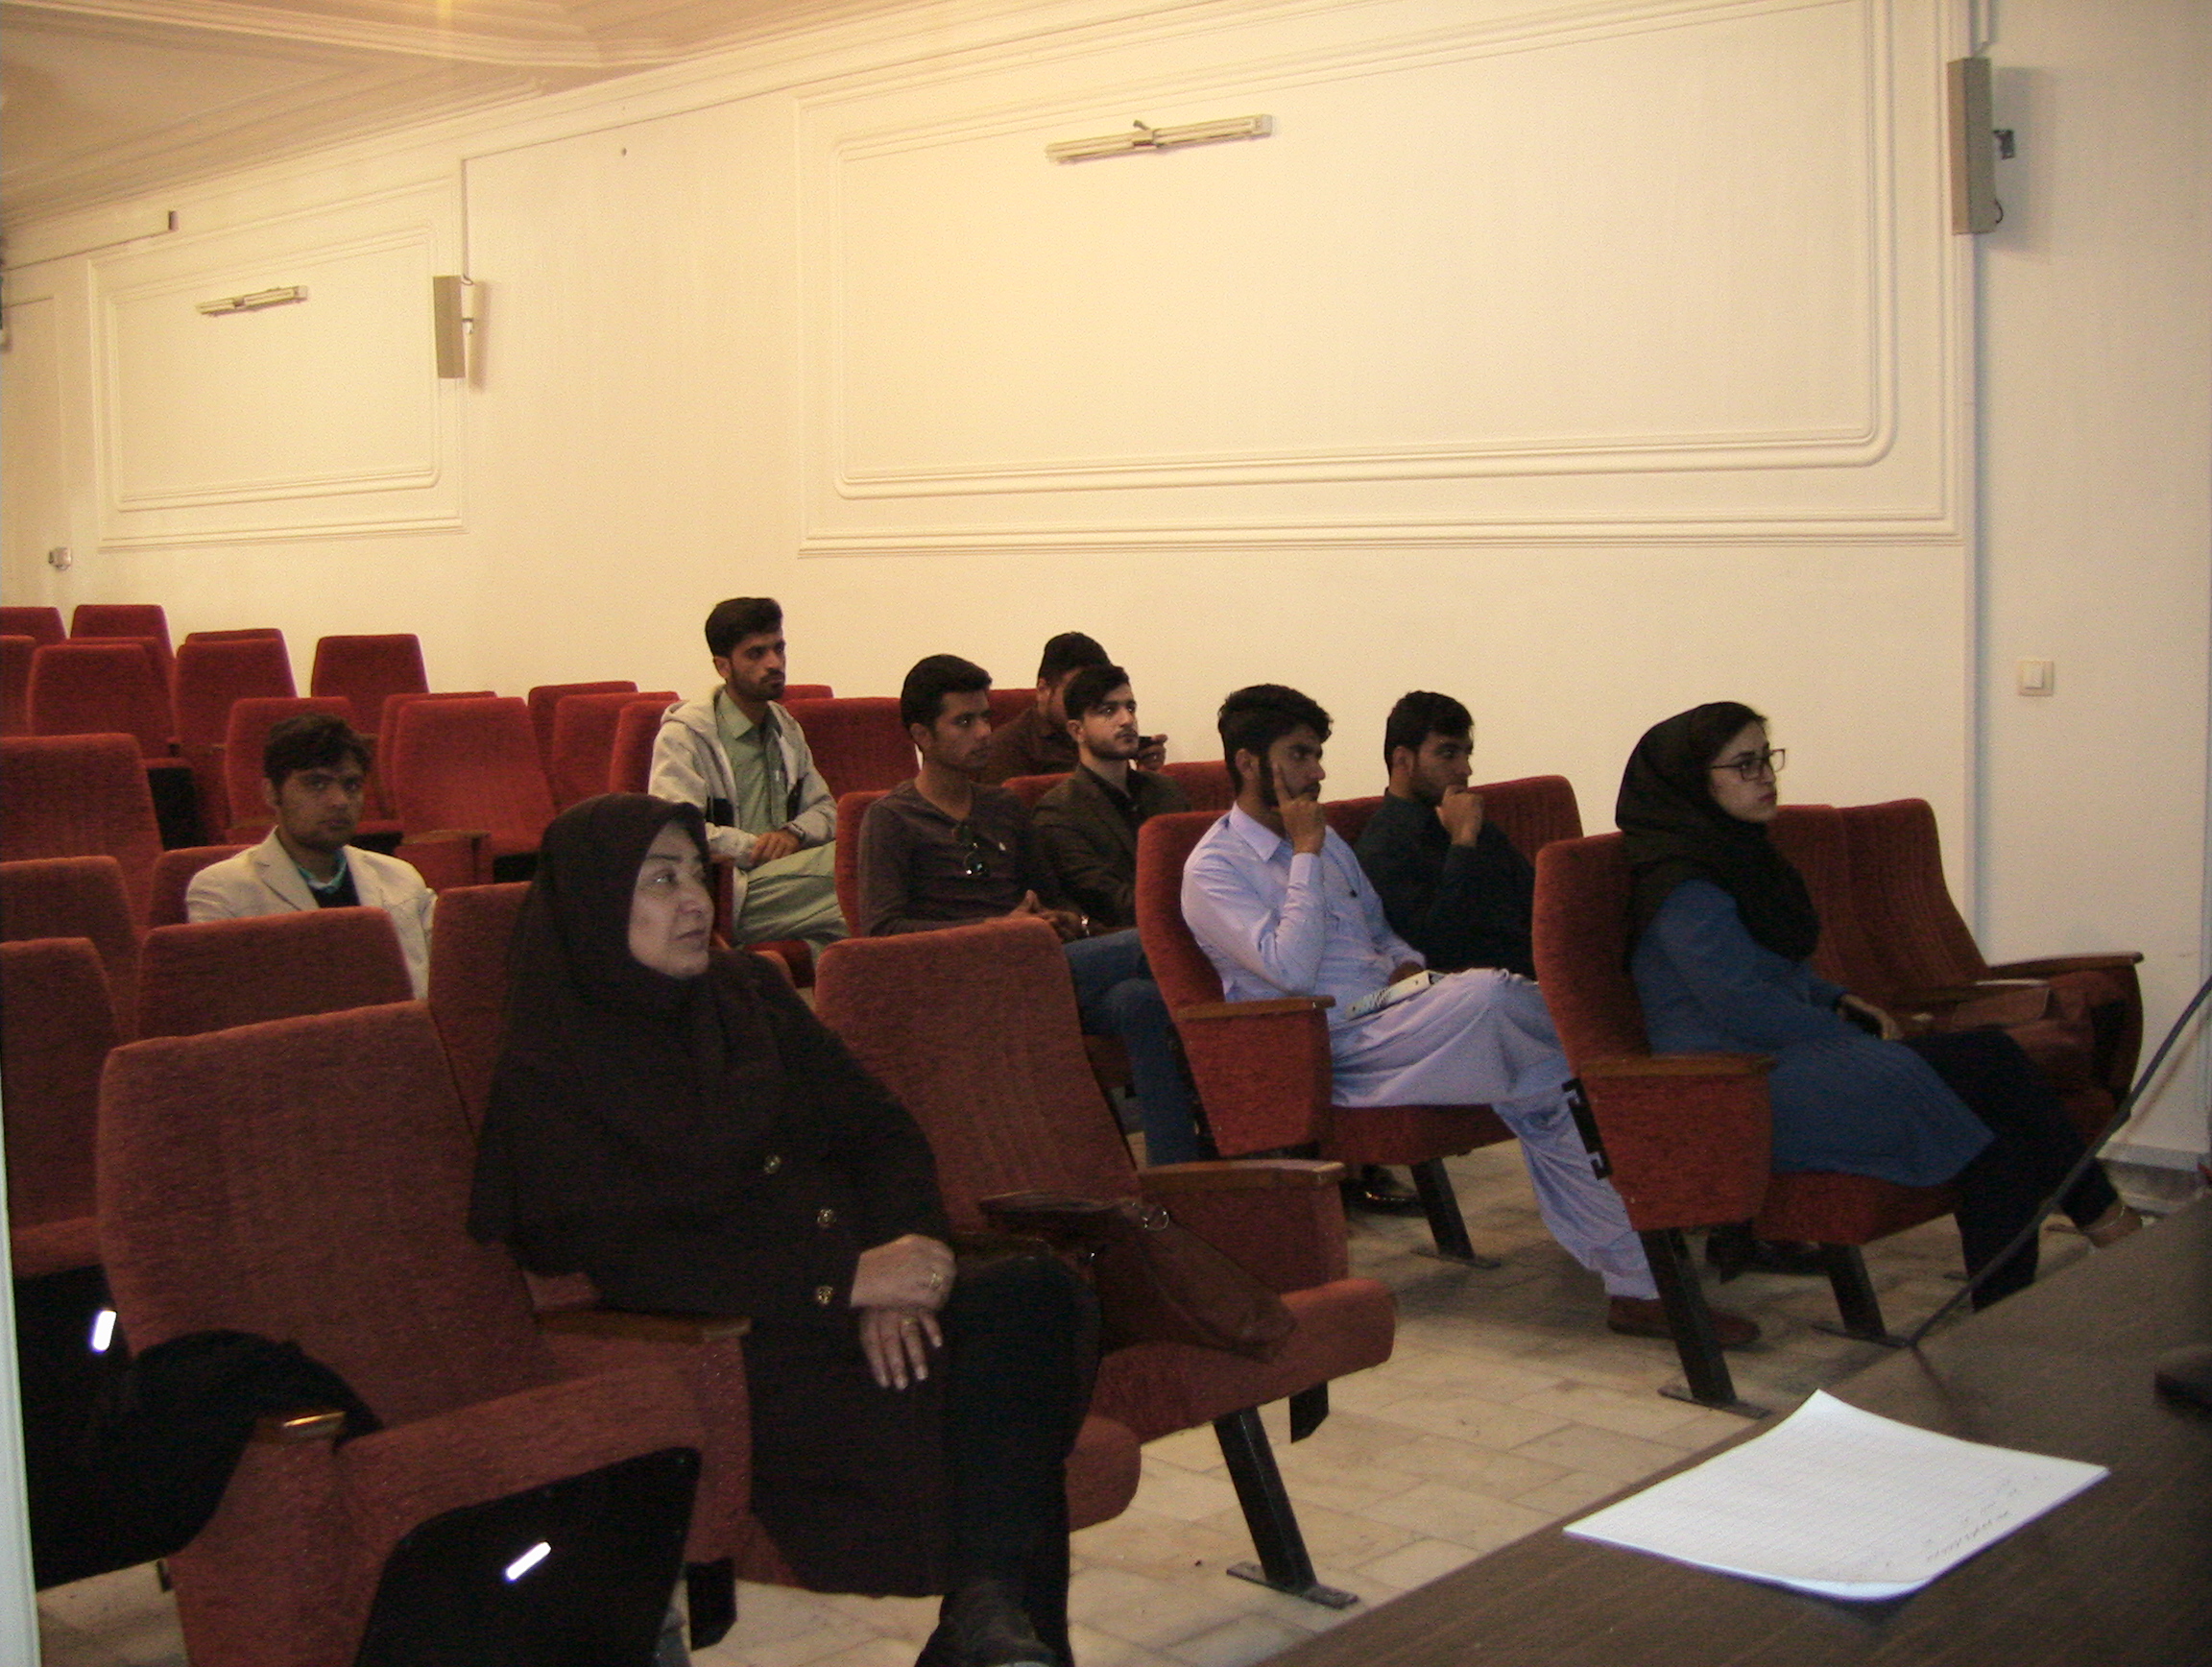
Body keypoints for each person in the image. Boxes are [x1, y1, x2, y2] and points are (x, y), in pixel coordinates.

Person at [469, 795, 1090, 1667]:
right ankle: (989, 1623)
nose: (695, 900)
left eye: (697, 873)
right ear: (597, 902)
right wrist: (842, 1281)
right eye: (660, 881)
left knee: (1037, 1292)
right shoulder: (553, 1066)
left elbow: (881, 1133)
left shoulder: (748, 993)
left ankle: (986, 1615)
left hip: (861, 1301)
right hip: (747, 1342)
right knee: (1010, 1390)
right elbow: (631, 1258)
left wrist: (903, 1264)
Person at [1181, 685, 1754, 1344]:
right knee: (1504, 1002)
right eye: (1300, 755)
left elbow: (1382, 932)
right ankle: (1656, 1131)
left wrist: (1405, 962)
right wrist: (1305, 855)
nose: (1318, 772)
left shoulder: (1327, 840)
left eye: (1317, 754)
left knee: (1549, 1084)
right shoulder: (1215, 867)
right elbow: (1289, 971)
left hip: (1391, 1006)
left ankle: (1641, 1284)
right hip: (1322, 1039)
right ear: (1249, 762)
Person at [1620, 701, 2141, 1309]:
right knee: (1993, 1065)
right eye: (1744, 764)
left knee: (2004, 1132)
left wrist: (1841, 999)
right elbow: (1747, 1009)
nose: (1765, 776)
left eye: (1767, 758)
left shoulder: (1739, 858)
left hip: (1787, 1062)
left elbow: (1786, 971)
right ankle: (2107, 1225)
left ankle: (2004, 1315)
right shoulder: (1684, 888)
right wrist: (1852, 1034)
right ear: (1691, 782)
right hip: (1731, 1085)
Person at [858, 654, 1208, 1166]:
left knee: (1140, 1000)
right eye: (964, 722)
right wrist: (993, 930)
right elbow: (882, 932)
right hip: (961, 978)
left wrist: (1061, 919)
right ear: (921, 736)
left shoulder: (1002, 807)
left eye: (985, 718)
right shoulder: (891, 818)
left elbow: (1053, 897)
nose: (984, 733)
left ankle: (1179, 1172)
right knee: (1155, 942)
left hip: (1035, 964)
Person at [186, 713, 434, 998]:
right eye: (317, 784)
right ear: (271, 793)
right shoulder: (222, 892)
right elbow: (228, 1006)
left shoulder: (401, 878)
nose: (340, 801)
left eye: (351, 785)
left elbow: (445, 983)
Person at [648, 597, 844, 952]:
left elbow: (826, 810)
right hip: (729, 890)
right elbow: (676, 832)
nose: (774, 663)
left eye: (779, 649)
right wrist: (754, 847)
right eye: (756, 654)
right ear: (723, 666)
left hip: (787, 877)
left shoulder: (785, 727)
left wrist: (793, 834)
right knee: (859, 871)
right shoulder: (685, 735)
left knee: (859, 899)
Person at [1354, 691, 1533, 978]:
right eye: (1448, 754)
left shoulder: (1475, 822)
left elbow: (1538, 902)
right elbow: (1438, 949)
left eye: (1466, 754)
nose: (1465, 769)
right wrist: (1462, 843)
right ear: (1403, 760)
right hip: (1472, 989)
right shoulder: (1383, 847)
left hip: (1535, 971)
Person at [1030, 663, 1189, 933]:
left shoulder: (1166, 790)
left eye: (1130, 707)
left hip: (1185, 923)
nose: (1126, 720)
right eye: (1107, 711)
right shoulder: (1058, 812)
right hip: (1119, 936)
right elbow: (1108, 902)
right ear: (1077, 730)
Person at [980, 633, 1166, 785]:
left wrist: (1146, 776)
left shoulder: (1102, 733)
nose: (1090, 701)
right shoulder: (1007, 748)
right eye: (1076, 690)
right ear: (1043, 690)